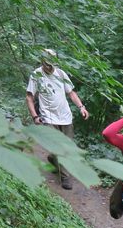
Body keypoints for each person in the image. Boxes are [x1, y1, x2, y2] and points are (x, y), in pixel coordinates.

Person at [25, 48, 89, 190]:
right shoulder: (36, 75)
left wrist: (81, 107)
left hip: (65, 116)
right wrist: (35, 116)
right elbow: (29, 97)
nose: (50, 67)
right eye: (47, 63)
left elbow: (71, 93)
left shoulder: (61, 73)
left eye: (52, 64)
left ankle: (53, 159)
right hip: (48, 117)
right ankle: (65, 177)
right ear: (42, 61)